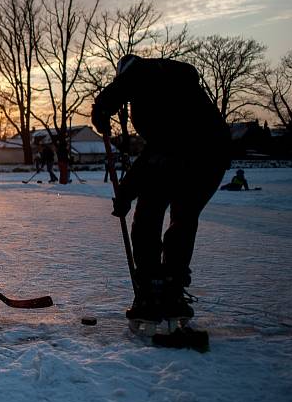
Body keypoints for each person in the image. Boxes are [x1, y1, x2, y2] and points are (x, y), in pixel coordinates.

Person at [91, 54, 230, 324]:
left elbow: (159, 151)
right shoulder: (173, 90)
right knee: (183, 219)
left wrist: (102, 108)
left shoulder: (146, 73)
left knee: (149, 215)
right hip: (212, 155)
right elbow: (155, 152)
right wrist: (126, 193)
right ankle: (170, 289)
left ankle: (155, 287)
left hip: (200, 154)